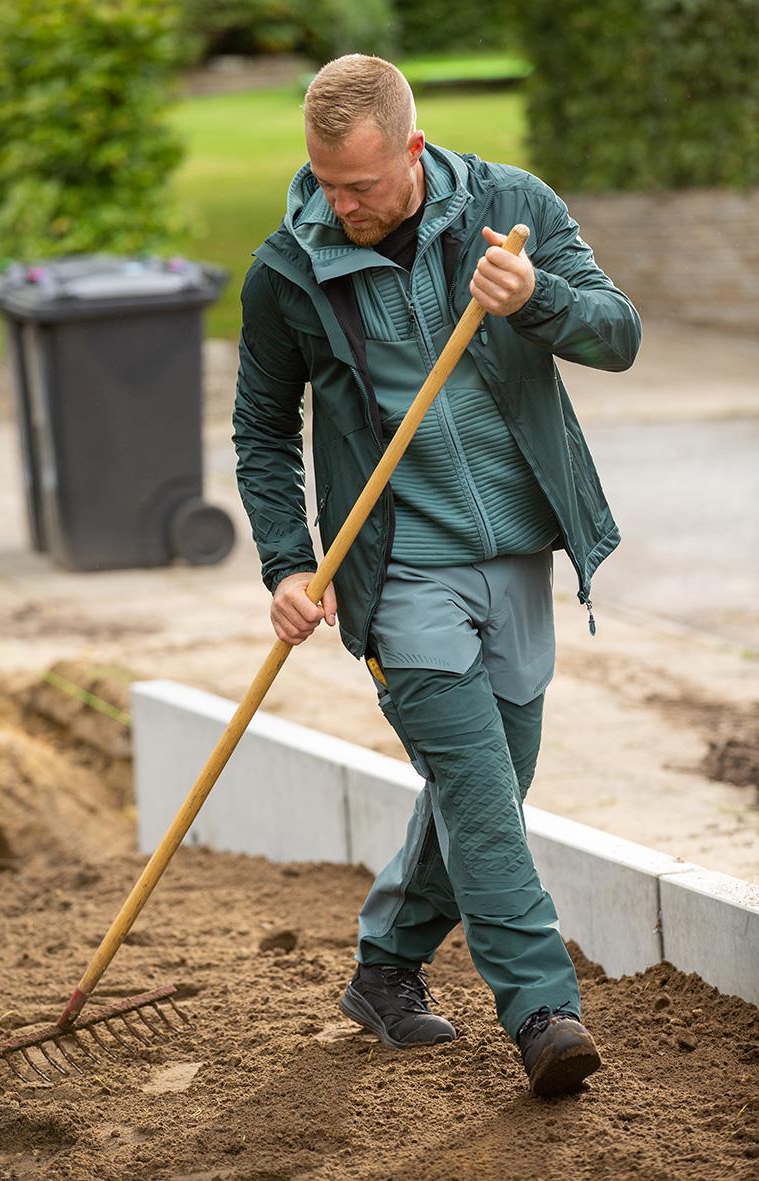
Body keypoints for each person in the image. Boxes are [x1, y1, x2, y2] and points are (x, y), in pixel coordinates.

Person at [233, 54, 641, 1096]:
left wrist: (537, 298)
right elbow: (262, 430)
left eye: (362, 185)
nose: (342, 204)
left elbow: (618, 335)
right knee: (477, 786)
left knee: (491, 782)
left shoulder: (510, 208)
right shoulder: (288, 270)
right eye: (326, 182)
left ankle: (385, 966)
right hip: (398, 568)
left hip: (516, 551)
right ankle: (542, 1009)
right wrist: (287, 562)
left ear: (412, 150)